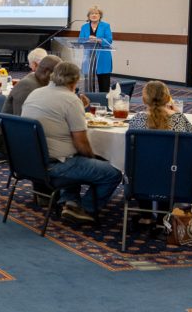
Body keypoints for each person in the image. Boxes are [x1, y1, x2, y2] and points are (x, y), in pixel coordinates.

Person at [21, 61, 122, 223]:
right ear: (75, 81)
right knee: (113, 173)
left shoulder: (36, 93)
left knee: (73, 156)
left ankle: (69, 202)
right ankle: (85, 208)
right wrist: (93, 158)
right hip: (54, 166)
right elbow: (81, 142)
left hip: (30, 162)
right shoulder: (70, 100)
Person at [128, 81, 192, 132]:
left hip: (144, 150)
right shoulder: (179, 119)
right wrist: (178, 112)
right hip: (172, 150)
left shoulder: (137, 119)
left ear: (144, 100)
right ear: (168, 99)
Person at [77, 5, 113, 92]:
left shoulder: (105, 26)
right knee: (88, 82)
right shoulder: (84, 27)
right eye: (92, 13)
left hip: (103, 57)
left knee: (104, 82)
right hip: (89, 57)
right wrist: (87, 40)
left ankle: (103, 100)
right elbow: (80, 40)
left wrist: (98, 40)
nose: (94, 15)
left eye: (96, 13)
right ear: (88, 16)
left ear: (100, 16)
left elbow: (109, 40)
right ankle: (89, 100)